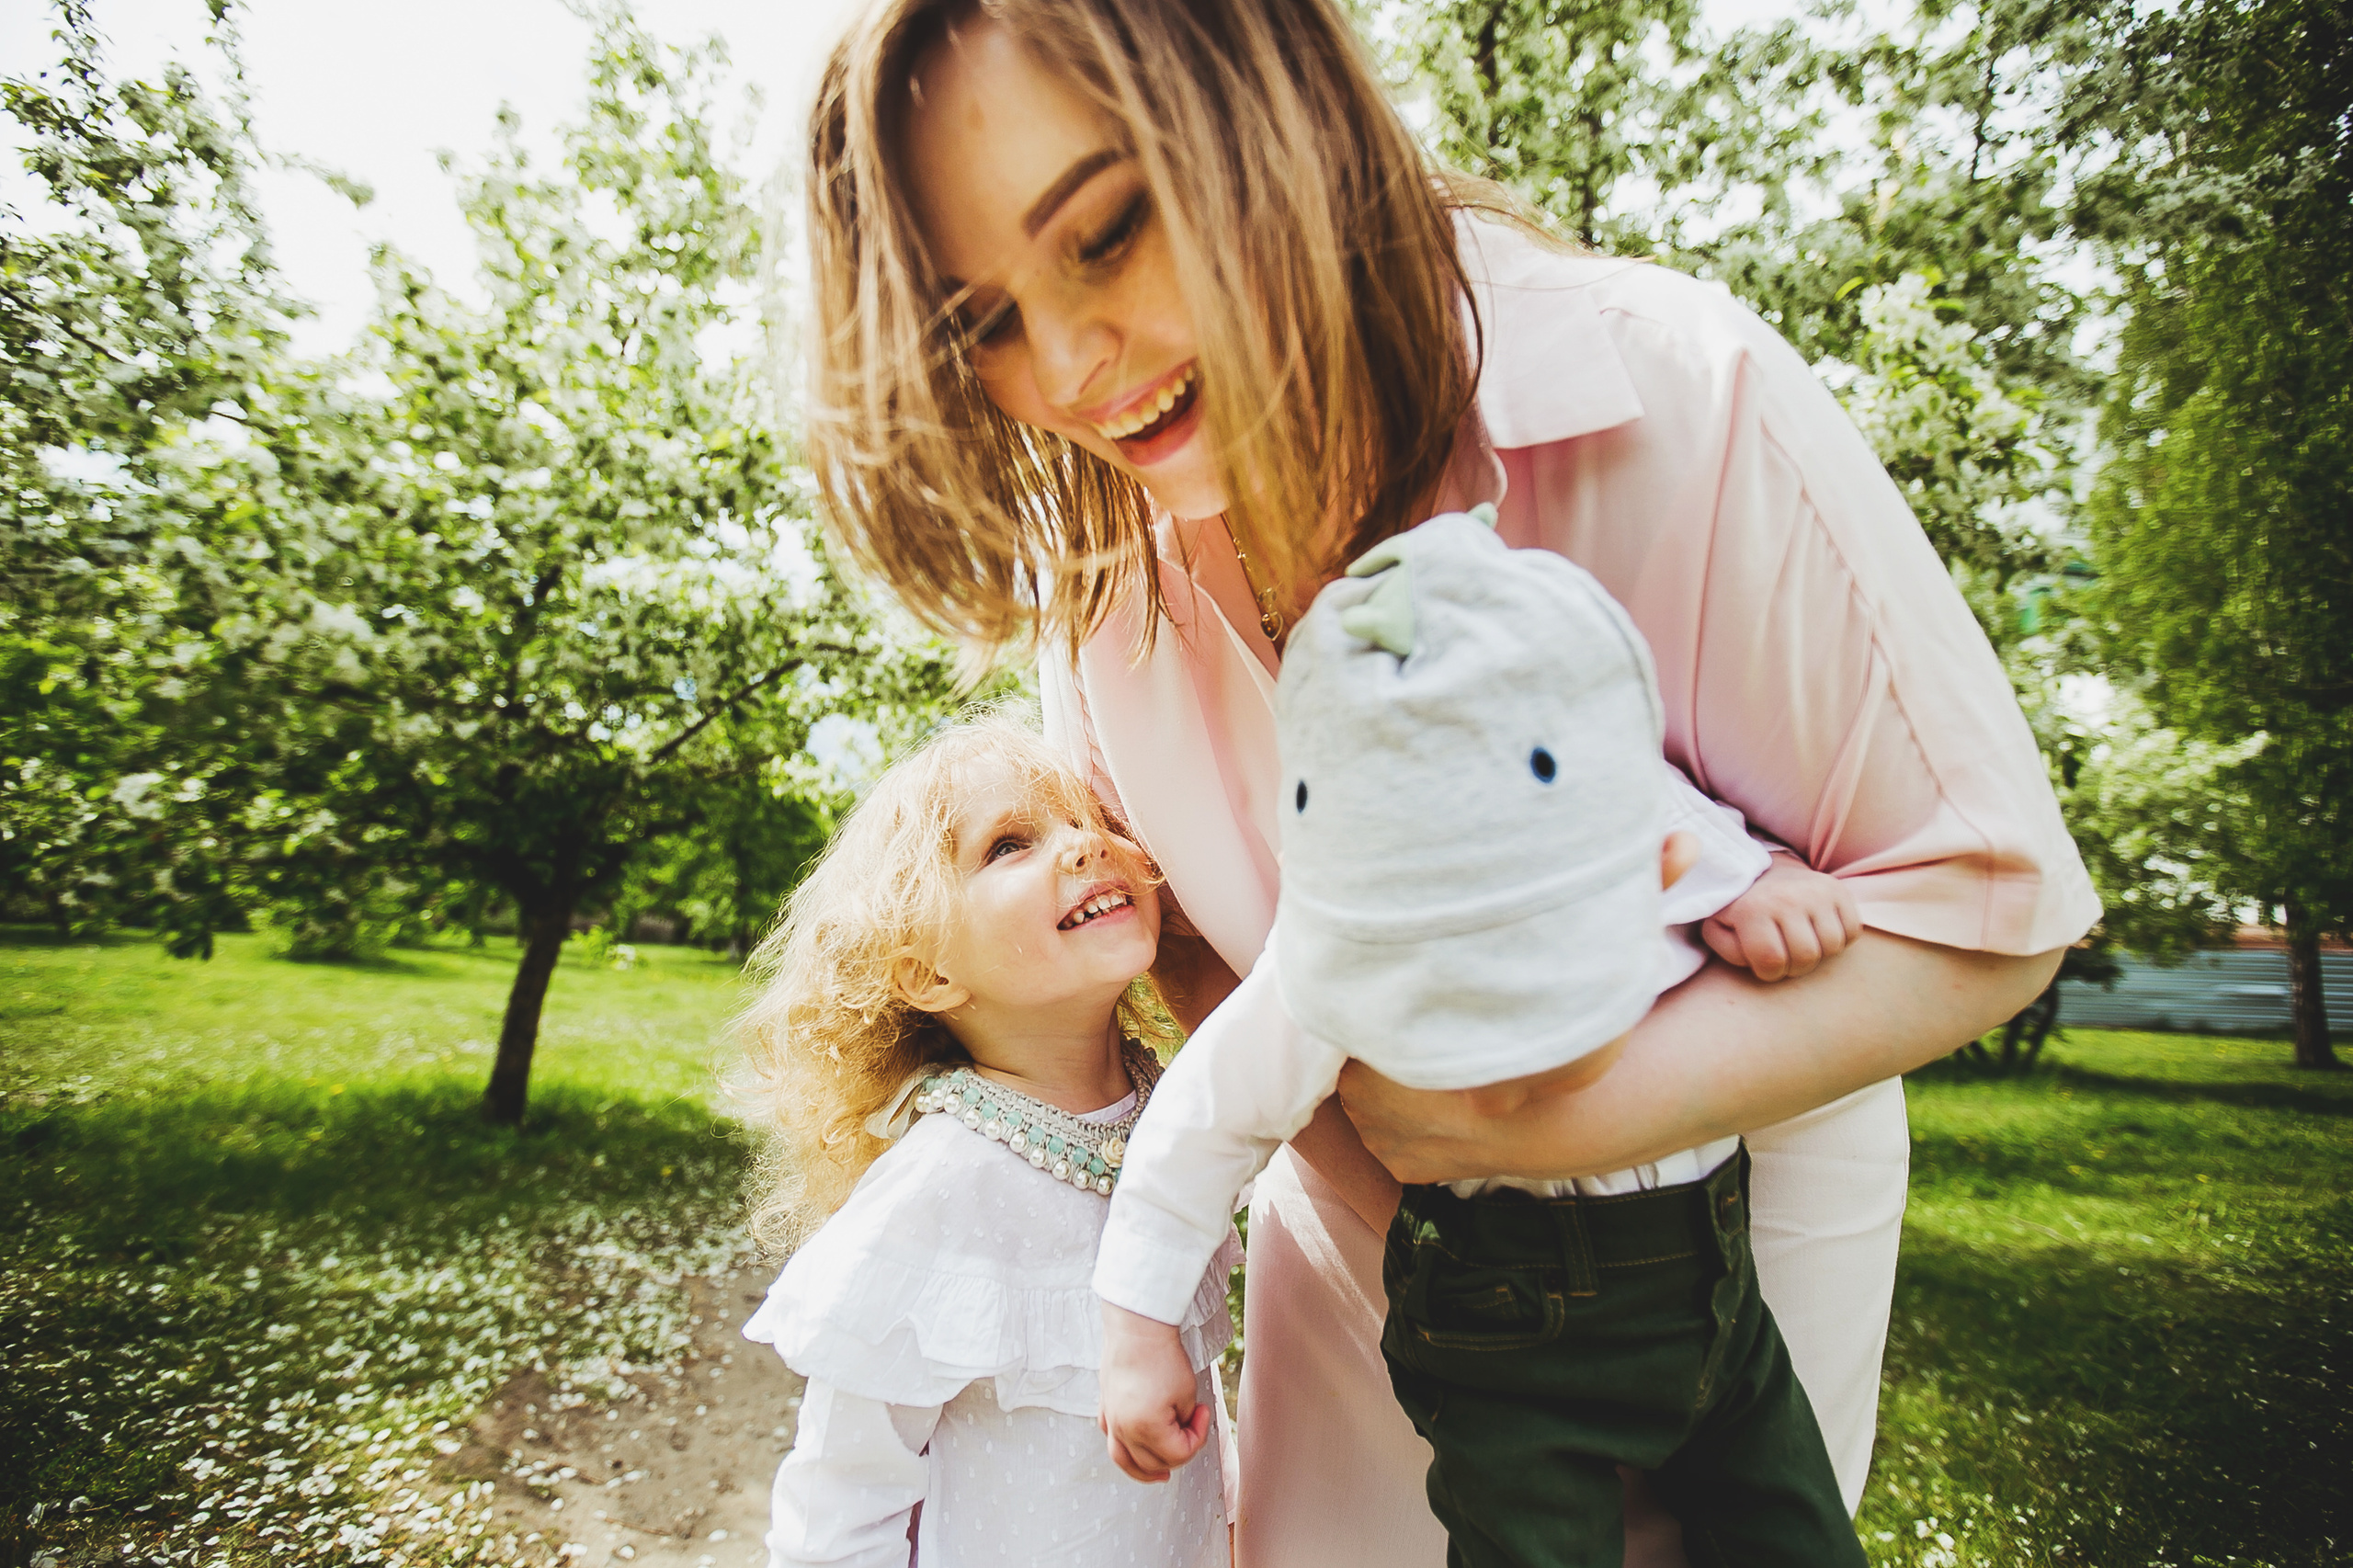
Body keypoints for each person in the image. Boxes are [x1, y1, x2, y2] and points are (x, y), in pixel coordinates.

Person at [801, 2, 2100, 1563]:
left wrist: (1524, 1130)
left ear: (1269, 104)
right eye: (984, 323)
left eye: (1112, 231)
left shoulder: (1683, 393)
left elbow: (1995, 909)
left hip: (1720, 1300)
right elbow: (1199, 947)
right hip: (1355, 1294)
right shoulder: (1103, 577)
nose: (1072, 367)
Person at [1094, 509, 1868, 1568]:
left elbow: (1677, 821)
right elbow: (1205, 1117)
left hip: (1716, 1296)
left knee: (1797, 1536)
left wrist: (1757, 885)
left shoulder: (1616, 826)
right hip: (1514, 1339)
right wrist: (1135, 1326)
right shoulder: (1343, 947)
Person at [734, 714, 1240, 1568]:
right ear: (928, 971)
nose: (1086, 845)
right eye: (1010, 844)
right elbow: (839, 1498)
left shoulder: (1179, 1121)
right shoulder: (940, 1189)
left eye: (1096, 819)